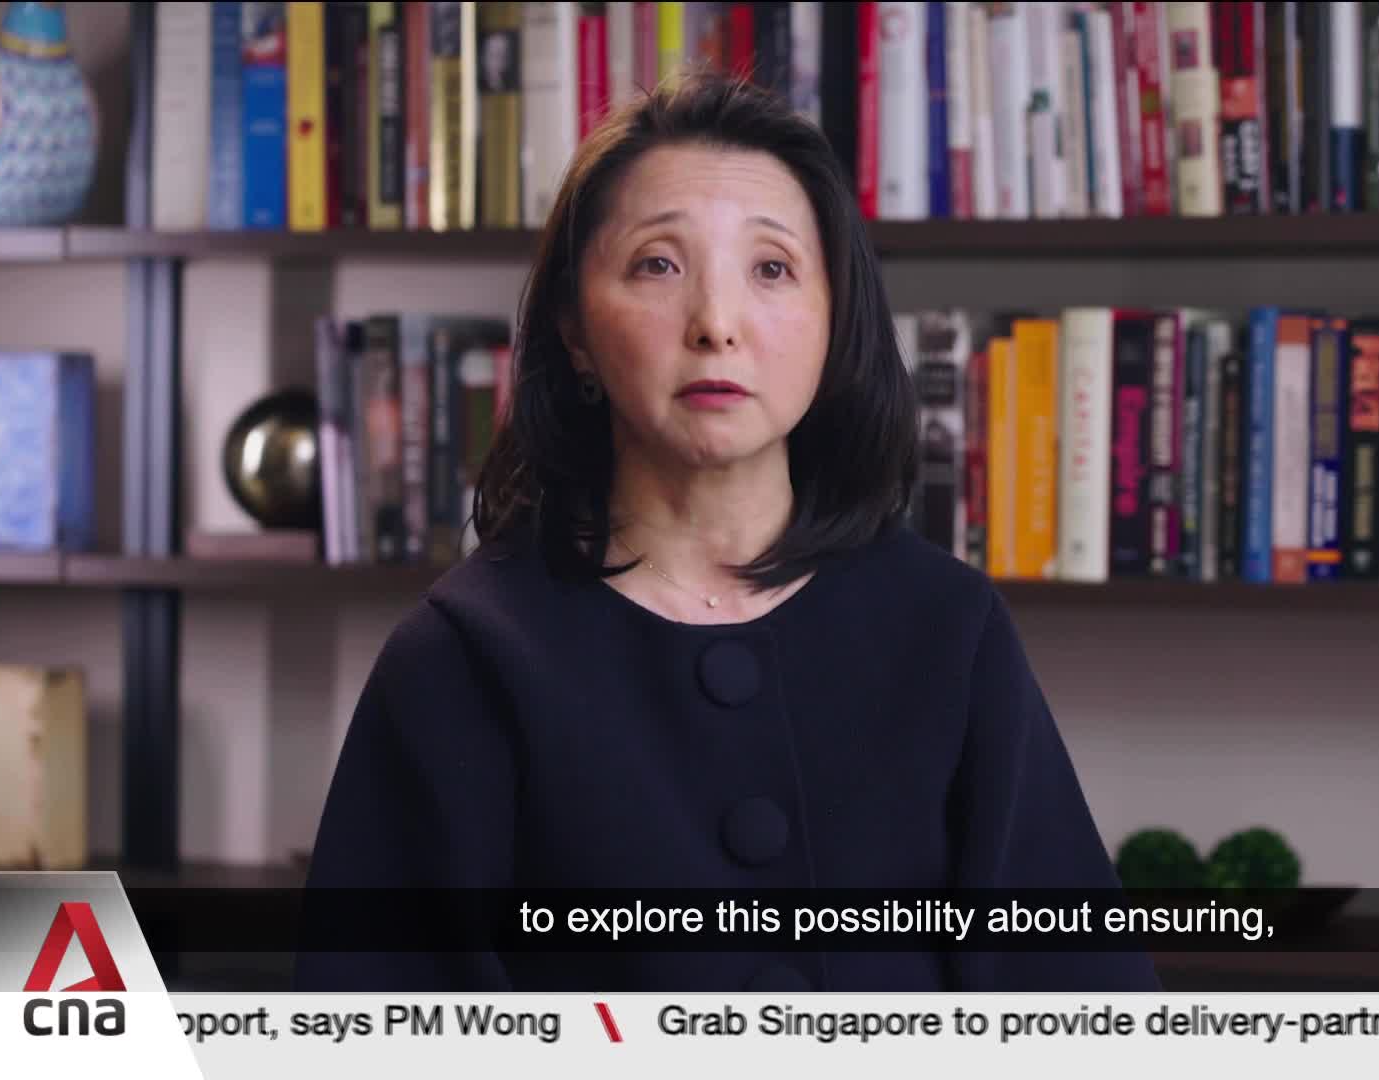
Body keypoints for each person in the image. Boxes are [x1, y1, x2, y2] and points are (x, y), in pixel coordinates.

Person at [295, 73, 1159, 993]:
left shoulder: (945, 628)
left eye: (773, 268)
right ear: (575, 332)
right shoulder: (464, 655)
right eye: (658, 264)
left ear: (835, 322)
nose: (717, 325)